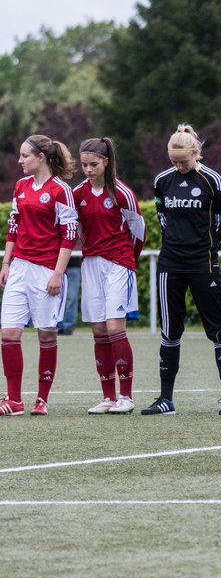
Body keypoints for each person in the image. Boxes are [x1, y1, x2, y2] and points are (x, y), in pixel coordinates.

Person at [142, 124, 221, 416]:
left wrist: (207, 250)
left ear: (196, 153)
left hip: (203, 262)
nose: (179, 167)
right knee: (170, 329)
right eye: (174, 162)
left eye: (183, 161)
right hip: (171, 262)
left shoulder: (213, 180)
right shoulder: (162, 180)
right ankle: (166, 399)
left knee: (218, 328)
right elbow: (163, 218)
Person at [0, 135, 78, 416]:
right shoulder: (20, 186)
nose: (20, 161)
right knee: (8, 333)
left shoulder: (60, 190)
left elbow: (70, 234)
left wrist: (57, 273)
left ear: (41, 158)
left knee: (46, 334)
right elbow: (13, 226)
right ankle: (14, 400)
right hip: (19, 268)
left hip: (46, 272)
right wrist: (7, 262)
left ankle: (42, 400)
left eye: (25, 156)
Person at [74, 137, 145, 414]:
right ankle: (108, 397)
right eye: (84, 165)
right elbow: (76, 230)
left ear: (106, 162)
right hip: (91, 264)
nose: (88, 170)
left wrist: (127, 261)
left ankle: (126, 396)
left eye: (93, 164)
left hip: (118, 264)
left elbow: (138, 232)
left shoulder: (122, 193)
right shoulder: (78, 193)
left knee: (115, 327)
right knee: (98, 329)